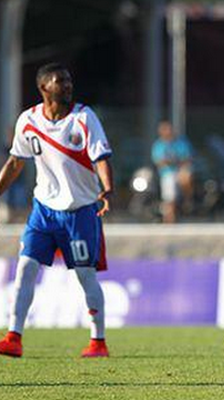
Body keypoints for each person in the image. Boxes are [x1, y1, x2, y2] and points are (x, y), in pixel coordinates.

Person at [0, 63, 113, 358]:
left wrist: (107, 188)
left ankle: (98, 341)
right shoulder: (28, 120)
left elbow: (100, 157)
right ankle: (14, 337)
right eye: (60, 81)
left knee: (85, 277)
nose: (67, 85)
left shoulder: (84, 117)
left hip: (80, 212)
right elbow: (15, 163)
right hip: (44, 211)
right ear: (43, 88)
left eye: (68, 80)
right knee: (25, 268)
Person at [151, 121, 194, 223]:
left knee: (186, 175)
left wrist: (175, 163)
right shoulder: (158, 145)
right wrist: (176, 161)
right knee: (170, 193)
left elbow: (188, 159)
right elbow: (160, 162)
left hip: (180, 172)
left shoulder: (181, 143)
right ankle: (169, 219)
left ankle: (188, 201)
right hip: (167, 173)